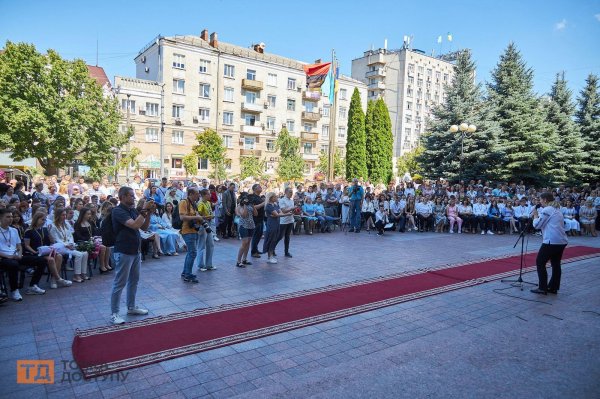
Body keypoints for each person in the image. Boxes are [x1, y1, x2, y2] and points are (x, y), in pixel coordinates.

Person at [109, 187, 153, 324]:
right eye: (131, 195)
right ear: (122, 197)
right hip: (123, 251)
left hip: (135, 250)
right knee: (119, 283)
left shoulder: (133, 210)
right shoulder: (118, 211)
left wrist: (149, 213)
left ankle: (131, 307)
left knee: (134, 281)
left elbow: (143, 227)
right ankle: (114, 313)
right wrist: (145, 210)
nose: (134, 197)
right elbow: (134, 225)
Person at [530, 192, 568, 295]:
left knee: (540, 262)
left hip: (552, 241)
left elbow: (537, 225)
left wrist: (535, 216)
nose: (540, 201)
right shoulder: (557, 209)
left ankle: (542, 288)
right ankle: (553, 287)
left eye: (540, 199)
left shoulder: (547, 210)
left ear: (545, 200)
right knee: (555, 264)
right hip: (561, 240)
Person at [23, 212, 71, 288]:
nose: (44, 221)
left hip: (45, 251)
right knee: (51, 259)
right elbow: (27, 245)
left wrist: (49, 232)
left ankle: (53, 279)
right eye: (42, 219)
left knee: (59, 256)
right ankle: (58, 279)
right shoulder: (29, 231)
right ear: (36, 219)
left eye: (45, 220)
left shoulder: (44, 229)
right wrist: (34, 252)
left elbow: (52, 241)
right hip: (35, 252)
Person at [50, 208, 89, 283]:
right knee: (79, 254)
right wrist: (66, 245)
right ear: (58, 216)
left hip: (69, 245)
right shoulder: (53, 226)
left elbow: (70, 235)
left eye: (65, 215)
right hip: (61, 247)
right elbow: (56, 239)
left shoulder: (67, 224)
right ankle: (76, 275)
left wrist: (71, 243)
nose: (64, 217)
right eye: (62, 215)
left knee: (85, 253)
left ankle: (82, 273)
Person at [73, 207, 111, 273]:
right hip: (83, 243)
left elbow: (93, 233)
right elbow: (78, 236)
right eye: (88, 214)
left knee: (108, 247)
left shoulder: (90, 222)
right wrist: (89, 239)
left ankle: (106, 264)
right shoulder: (77, 224)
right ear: (83, 214)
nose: (89, 215)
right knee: (103, 247)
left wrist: (95, 237)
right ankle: (102, 266)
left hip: (92, 240)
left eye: (90, 214)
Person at [179, 188, 204, 283]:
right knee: (193, 253)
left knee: (190, 252)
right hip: (187, 231)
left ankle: (185, 272)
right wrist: (196, 217)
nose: (198, 196)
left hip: (193, 230)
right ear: (191, 194)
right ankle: (188, 275)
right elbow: (182, 217)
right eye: (197, 194)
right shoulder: (184, 202)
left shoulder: (194, 204)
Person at [264, 192, 292, 264]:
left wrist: (280, 214)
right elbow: (277, 214)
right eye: (275, 197)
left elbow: (280, 213)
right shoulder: (269, 206)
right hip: (271, 225)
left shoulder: (276, 204)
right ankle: (269, 256)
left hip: (277, 223)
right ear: (271, 198)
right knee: (271, 240)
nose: (277, 198)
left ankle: (271, 255)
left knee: (274, 239)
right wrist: (287, 214)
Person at [194, 189, 216, 272]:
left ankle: (209, 264)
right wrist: (207, 217)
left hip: (208, 225)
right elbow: (198, 215)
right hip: (203, 225)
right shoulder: (200, 203)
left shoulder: (208, 203)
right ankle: (200, 265)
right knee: (201, 245)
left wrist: (210, 216)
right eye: (208, 194)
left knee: (211, 244)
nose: (210, 195)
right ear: (203, 195)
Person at [235, 192, 256, 267]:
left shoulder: (250, 205)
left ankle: (244, 259)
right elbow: (244, 215)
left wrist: (253, 206)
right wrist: (245, 205)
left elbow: (255, 214)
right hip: (243, 226)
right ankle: (238, 261)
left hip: (251, 225)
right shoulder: (239, 206)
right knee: (244, 243)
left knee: (248, 243)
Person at [276, 187, 295, 256]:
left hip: (290, 220)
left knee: (287, 237)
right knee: (280, 236)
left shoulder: (291, 200)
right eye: (290, 192)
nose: (291, 193)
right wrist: (293, 208)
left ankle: (286, 252)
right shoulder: (282, 200)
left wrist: (295, 210)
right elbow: (283, 211)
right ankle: (272, 249)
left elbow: (291, 210)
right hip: (283, 221)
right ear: (286, 192)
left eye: (292, 192)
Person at [248, 184, 266, 258]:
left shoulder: (259, 197)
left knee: (259, 235)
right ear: (254, 189)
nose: (261, 187)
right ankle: (253, 252)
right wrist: (263, 203)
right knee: (256, 235)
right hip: (256, 219)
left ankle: (256, 249)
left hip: (261, 218)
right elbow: (253, 207)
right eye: (259, 187)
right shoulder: (252, 197)